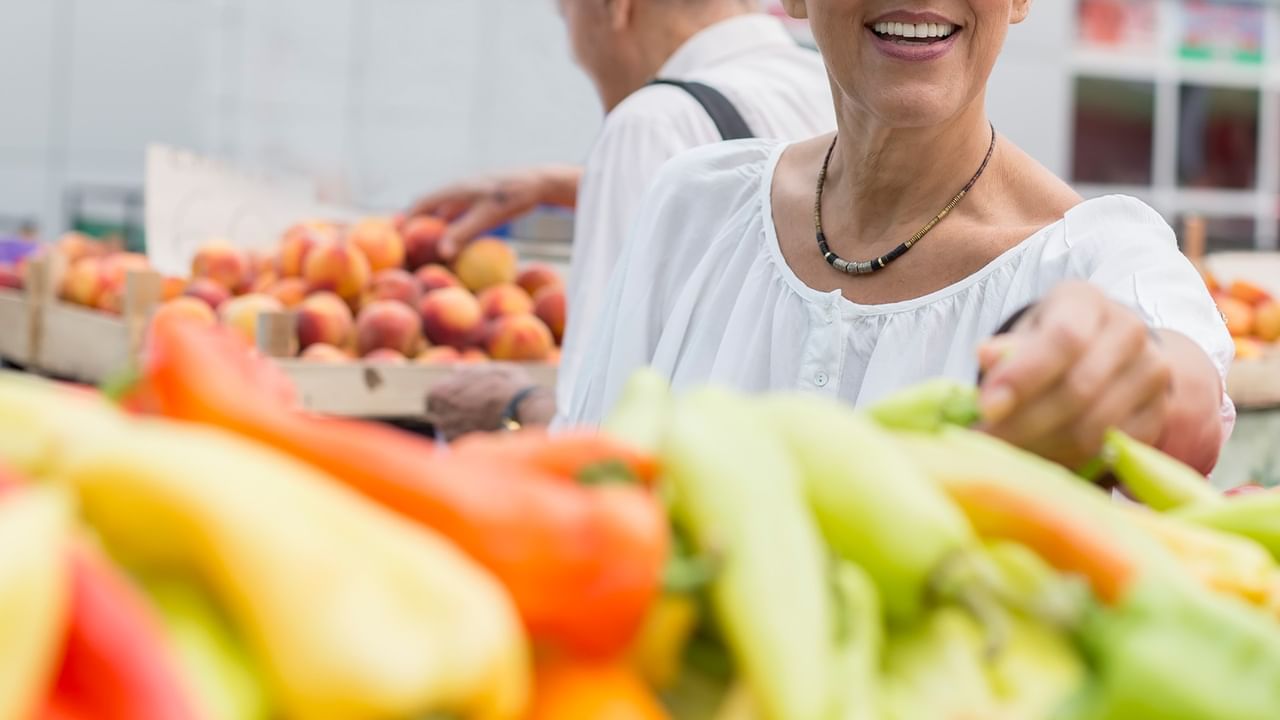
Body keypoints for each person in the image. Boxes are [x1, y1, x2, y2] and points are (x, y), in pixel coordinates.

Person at [559, 0, 1235, 474]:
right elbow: (585, 482)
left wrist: (1127, 370)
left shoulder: (1090, 259)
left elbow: (1189, 399)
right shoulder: (693, 209)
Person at [414, 0, 835, 438]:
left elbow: (598, 425)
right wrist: (567, 185)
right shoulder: (834, 87)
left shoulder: (651, 123)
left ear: (612, 8)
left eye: (565, 15)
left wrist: (514, 408)